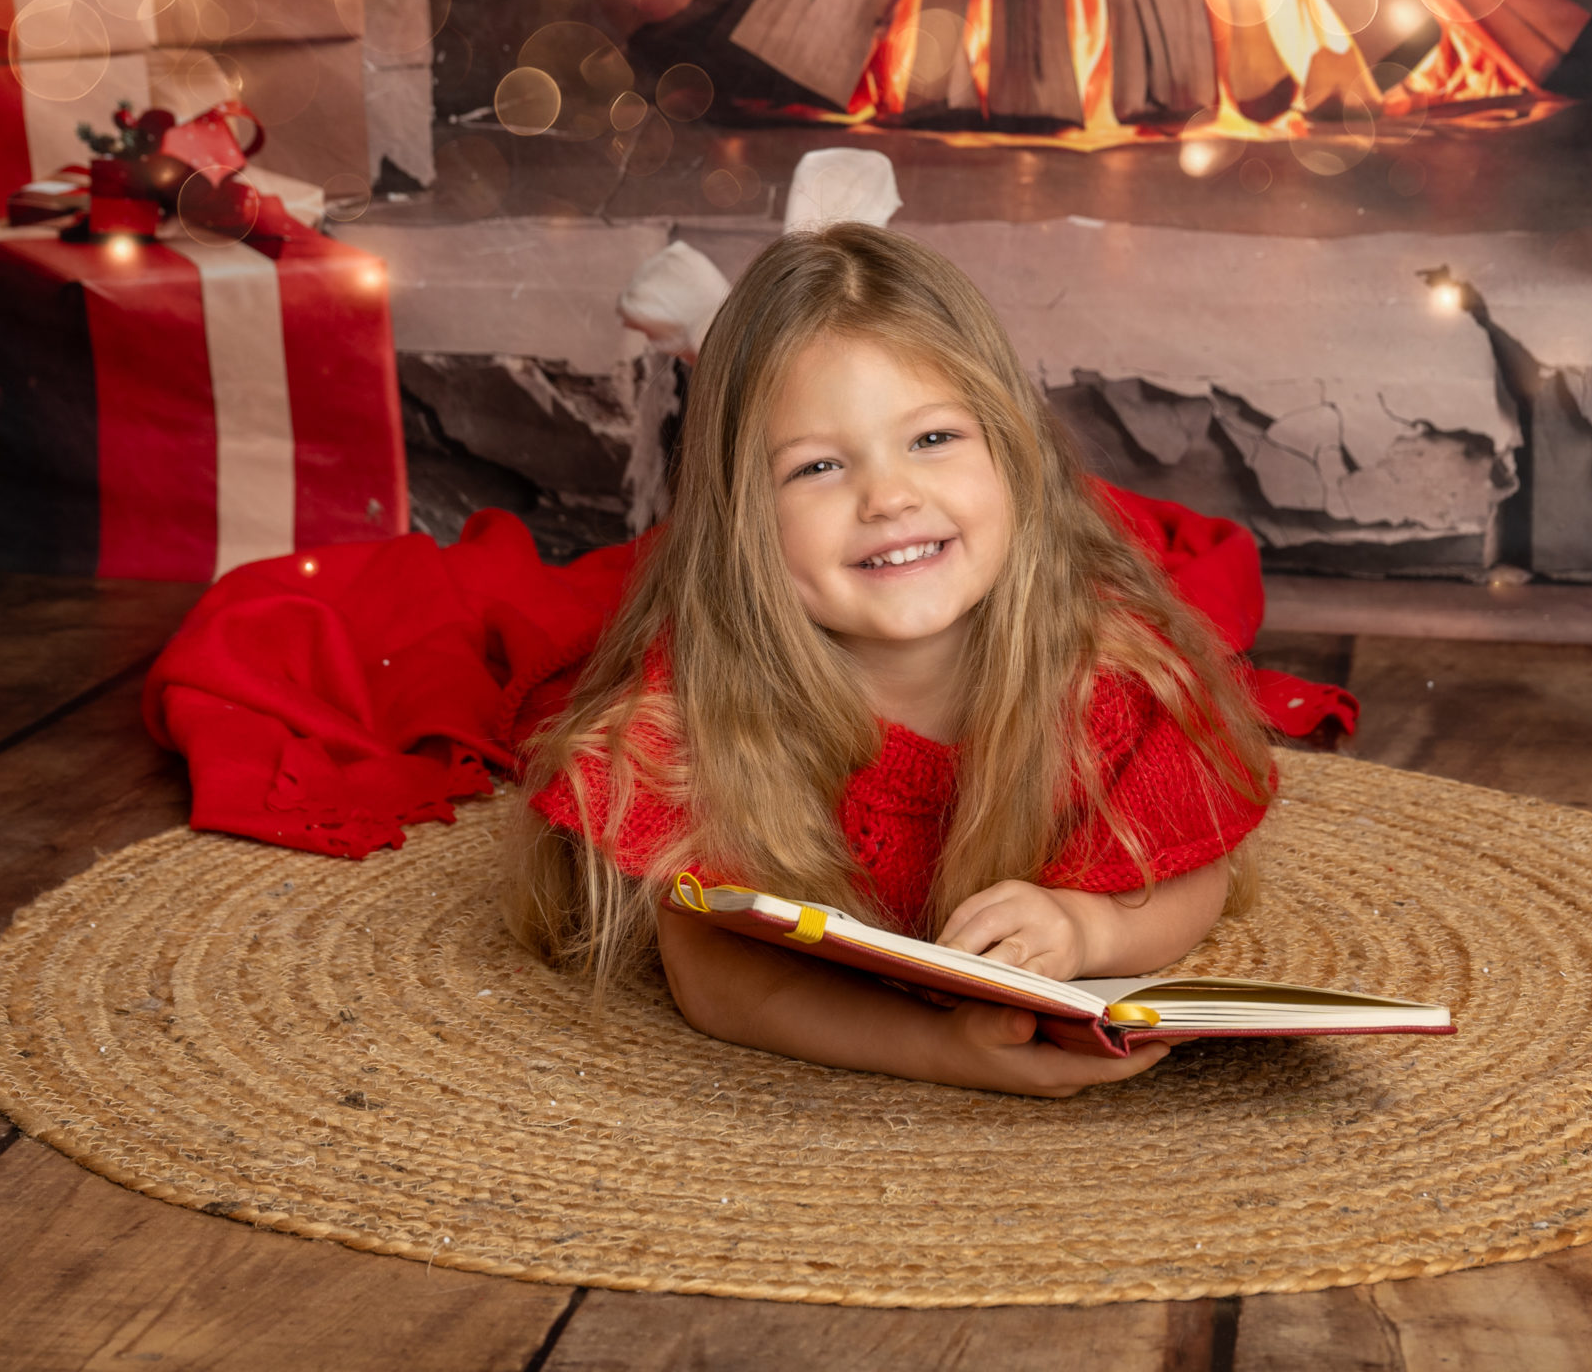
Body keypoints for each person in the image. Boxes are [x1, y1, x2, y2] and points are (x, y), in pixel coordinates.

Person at [504, 223, 1282, 1098]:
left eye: (933, 439)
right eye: (819, 466)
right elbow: (712, 970)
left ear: (1013, 454)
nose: (888, 497)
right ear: (741, 521)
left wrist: (1087, 927)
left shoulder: (1109, 674)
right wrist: (939, 1048)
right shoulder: (703, 707)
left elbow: (1194, 865)